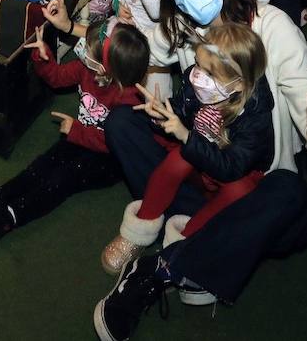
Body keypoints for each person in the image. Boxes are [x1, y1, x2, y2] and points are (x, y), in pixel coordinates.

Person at [89, 0, 307, 337]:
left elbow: (302, 89)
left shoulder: (272, 25)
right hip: (198, 157)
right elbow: (147, 54)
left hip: (249, 177)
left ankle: (163, 267)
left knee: (290, 196)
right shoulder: (182, 26)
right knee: (123, 123)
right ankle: (190, 240)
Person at [0, 21, 150, 248]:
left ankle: (3, 220)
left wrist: (76, 131)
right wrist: (43, 58)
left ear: (104, 68)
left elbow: (115, 145)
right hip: (79, 137)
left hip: (109, 160)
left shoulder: (130, 101)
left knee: (62, 179)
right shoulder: (86, 69)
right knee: (42, 166)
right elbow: (57, 77)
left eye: (88, 50)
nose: (81, 49)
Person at [98, 22, 274, 277]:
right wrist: (162, 114)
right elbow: (182, 108)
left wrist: (185, 135)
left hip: (232, 174)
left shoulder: (255, 116)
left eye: (210, 72)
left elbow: (232, 168)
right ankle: (140, 228)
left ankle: (180, 246)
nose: (198, 75)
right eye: (198, 64)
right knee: (176, 160)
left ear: (238, 85)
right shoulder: (198, 81)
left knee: (241, 191)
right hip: (198, 159)